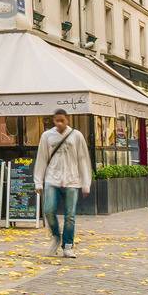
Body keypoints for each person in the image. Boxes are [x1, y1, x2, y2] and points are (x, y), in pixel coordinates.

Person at [32, 109, 93, 258]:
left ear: (68, 120)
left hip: (72, 180)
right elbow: (42, 158)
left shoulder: (77, 136)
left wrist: (86, 183)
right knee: (48, 210)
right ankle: (55, 236)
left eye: (62, 120)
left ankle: (67, 245)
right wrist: (38, 182)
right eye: (56, 120)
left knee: (70, 215)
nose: (59, 123)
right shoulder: (47, 136)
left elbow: (83, 159)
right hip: (52, 179)